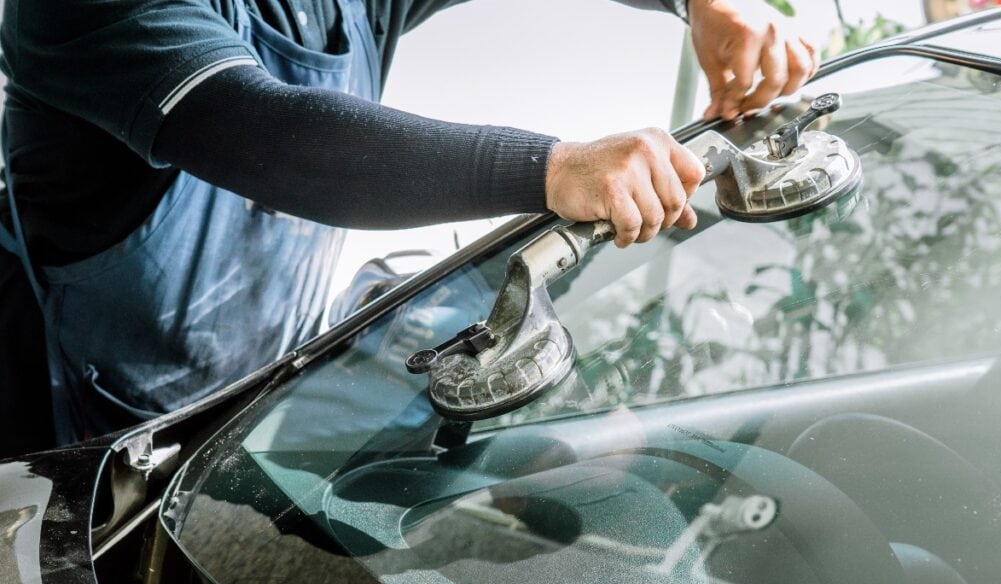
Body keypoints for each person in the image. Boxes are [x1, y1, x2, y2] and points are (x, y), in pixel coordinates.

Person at [0, 0, 818, 449]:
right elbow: (274, 139)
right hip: (64, 425)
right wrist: (556, 167)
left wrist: (703, 1)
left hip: (251, 381)